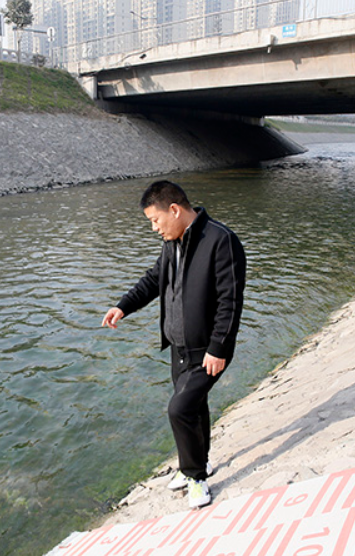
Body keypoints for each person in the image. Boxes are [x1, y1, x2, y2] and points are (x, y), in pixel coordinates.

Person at [102, 180, 246, 509]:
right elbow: (154, 279)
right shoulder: (172, 242)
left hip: (208, 349)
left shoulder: (220, 240)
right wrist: (123, 306)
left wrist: (219, 348)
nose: (154, 228)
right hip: (179, 348)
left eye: (155, 220)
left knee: (179, 409)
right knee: (194, 407)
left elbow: (230, 301)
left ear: (175, 210)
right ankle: (199, 461)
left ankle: (196, 477)